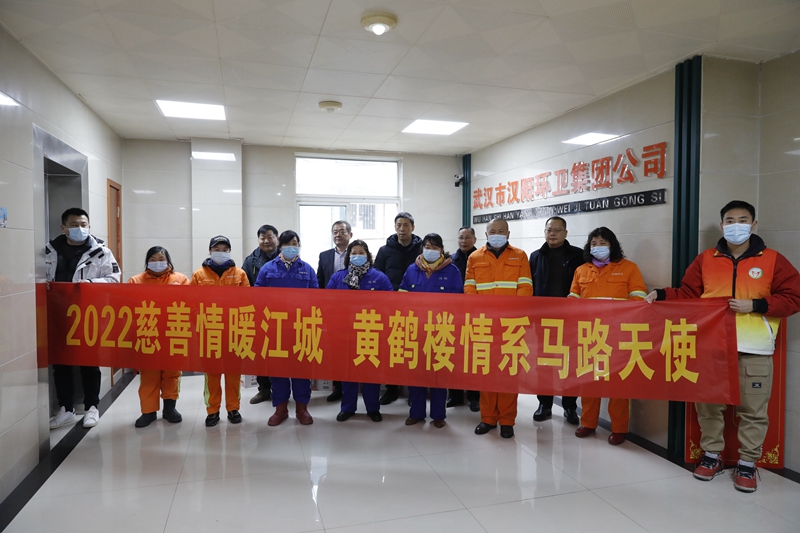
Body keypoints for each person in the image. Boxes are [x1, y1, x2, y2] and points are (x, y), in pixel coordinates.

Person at [646, 200, 800, 492]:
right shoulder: (706, 259)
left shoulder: (773, 260)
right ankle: (712, 455)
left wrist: (756, 305)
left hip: (754, 348)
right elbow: (689, 293)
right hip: (711, 347)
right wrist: (662, 294)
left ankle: (748, 463)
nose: (736, 226)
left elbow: (794, 297)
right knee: (708, 407)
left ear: (754, 224)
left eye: (743, 220)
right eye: (730, 221)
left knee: (753, 410)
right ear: (722, 225)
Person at [569, 227, 647, 446]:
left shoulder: (629, 268)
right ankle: (588, 423)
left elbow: (639, 298)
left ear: (612, 245)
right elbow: (572, 298)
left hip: (618, 334)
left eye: (603, 243)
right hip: (589, 334)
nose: (598, 247)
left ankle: (619, 428)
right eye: (594, 243)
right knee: (589, 381)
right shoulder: (581, 270)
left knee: (618, 384)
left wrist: (612, 309)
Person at [46, 207, 120, 430]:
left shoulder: (101, 252)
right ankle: (66, 409)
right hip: (57, 316)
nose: (80, 228)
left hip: (88, 315)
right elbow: (33, 276)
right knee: (61, 364)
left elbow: (114, 279)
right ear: (64, 228)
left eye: (83, 225)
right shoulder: (48, 251)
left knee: (89, 363)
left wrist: (89, 285)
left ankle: (92, 407)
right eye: (74, 225)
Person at [464, 217, 532, 439]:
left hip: (511, 325)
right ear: (486, 234)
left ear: (508, 234)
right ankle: (488, 418)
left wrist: (510, 313)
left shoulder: (520, 256)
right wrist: (483, 314)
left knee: (509, 373)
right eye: (492, 231)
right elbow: (469, 289)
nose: (496, 234)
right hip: (484, 324)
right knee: (486, 372)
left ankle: (507, 420)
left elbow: (525, 288)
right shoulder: (474, 257)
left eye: (501, 231)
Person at [399, 233, 463, 428]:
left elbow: (459, 301)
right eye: (427, 246)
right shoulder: (412, 269)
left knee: (439, 373)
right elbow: (402, 297)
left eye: (435, 247)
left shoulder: (452, 270)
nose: (431, 250)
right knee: (416, 373)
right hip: (416, 329)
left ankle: (438, 415)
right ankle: (416, 413)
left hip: (441, 330)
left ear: (441, 249)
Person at [255, 230, 319, 426]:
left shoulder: (307, 269)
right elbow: (257, 297)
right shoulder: (267, 269)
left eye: (295, 244)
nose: (292, 247)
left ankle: (302, 409)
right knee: (278, 371)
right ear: (280, 246)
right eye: (287, 244)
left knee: (302, 371)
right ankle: (280, 409)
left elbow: (317, 298)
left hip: (301, 327)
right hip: (275, 328)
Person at [326, 240, 393, 422]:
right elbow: (328, 303)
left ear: (368, 256)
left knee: (371, 372)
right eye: (353, 253)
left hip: (371, 332)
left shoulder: (380, 278)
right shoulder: (338, 278)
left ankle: (373, 408)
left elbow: (390, 305)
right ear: (348, 257)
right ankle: (348, 408)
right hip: (345, 333)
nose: (357, 256)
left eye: (361, 252)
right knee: (348, 372)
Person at [529, 216, 584, 426]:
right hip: (543, 320)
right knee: (544, 363)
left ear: (565, 233)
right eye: (549, 230)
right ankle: (544, 404)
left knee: (571, 363)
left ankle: (570, 407)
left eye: (557, 230)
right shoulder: (536, 256)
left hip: (571, 320)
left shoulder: (578, 256)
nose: (552, 233)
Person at [190, 235, 250, 427]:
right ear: (210, 251)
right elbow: (191, 302)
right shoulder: (199, 275)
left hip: (234, 331)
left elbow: (248, 302)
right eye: (217, 249)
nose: (221, 253)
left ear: (230, 251)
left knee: (233, 373)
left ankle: (233, 408)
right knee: (212, 374)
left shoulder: (240, 274)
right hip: (209, 332)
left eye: (225, 250)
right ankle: (212, 410)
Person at [127, 246, 188, 427]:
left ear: (168, 260)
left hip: (173, 332)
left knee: (172, 373)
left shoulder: (181, 279)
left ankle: (170, 408)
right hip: (147, 333)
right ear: (147, 261)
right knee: (149, 375)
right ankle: (148, 412)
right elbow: (128, 306)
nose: (157, 262)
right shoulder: (136, 281)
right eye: (152, 259)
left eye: (161, 259)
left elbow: (191, 304)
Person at [374, 212, 423, 405]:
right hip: (391, 307)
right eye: (399, 225)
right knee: (391, 348)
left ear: (413, 227)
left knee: (414, 349)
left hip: (415, 307)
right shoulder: (385, 250)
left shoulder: (422, 249)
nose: (402, 229)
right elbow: (377, 276)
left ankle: (414, 391)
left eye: (406, 225)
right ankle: (391, 389)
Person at [243, 224, 279, 405]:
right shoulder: (250, 261)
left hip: (282, 314)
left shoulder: (287, 257)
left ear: (277, 238)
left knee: (280, 352)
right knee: (261, 352)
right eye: (262, 237)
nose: (266, 241)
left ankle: (281, 389)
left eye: (270, 237)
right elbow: (244, 287)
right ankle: (264, 389)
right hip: (259, 314)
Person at [317, 220, 353, 403]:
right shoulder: (324, 256)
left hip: (354, 311)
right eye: (335, 232)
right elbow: (320, 282)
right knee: (336, 349)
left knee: (353, 349)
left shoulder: (357, 253)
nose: (338, 234)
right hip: (332, 311)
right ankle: (338, 387)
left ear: (350, 235)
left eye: (342, 231)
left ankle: (352, 388)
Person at [447, 226, 480, 411]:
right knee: (455, 355)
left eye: (468, 237)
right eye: (461, 237)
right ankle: (455, 395)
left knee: (474, 357)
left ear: (475, 239)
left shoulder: (481, 258)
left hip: (476, 315)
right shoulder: (450, 260)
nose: (464, 241)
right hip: (455, 315)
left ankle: (474, 396)